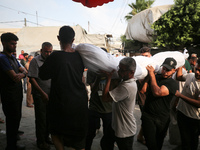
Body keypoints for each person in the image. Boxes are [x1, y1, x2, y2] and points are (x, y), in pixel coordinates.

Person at [39, 26, 88, 150]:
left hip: (60, 103)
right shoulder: (80, 56)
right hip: (79, 103)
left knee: (56, 133)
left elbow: (43, 75)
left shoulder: (55, 57)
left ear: (58, 38)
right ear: (73, 40)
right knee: (79, 138)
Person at [141, 57, 179, 150]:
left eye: (168, 70)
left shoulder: (173, 84)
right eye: (164, 69)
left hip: (162, 118)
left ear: (174, 70)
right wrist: (148, 77)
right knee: (150, 144)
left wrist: (152, 76)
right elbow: (143, 91)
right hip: (148, 116)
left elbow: (158, 92)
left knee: (158, 144)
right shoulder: (156, 77)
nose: (165, 72)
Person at [100, 57, 137, 150]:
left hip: (125, 130)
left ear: (131, 72)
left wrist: (108, 78)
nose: (119, 72)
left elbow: (105, 98)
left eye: (122, 70)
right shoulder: (125, 81)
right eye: (119, 68)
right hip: (116, 125)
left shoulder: (126, 86)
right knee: (105, 144)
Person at [0, 32, 27, 150]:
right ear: (3, 43)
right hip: (9, 95)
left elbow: (24, 71)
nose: (14, 46)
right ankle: (11, 146)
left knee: (16, 118)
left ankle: (13, 140)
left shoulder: (13, 58)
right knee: (12, 120)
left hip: (17, 94)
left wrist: (21, 74)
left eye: (15, 44)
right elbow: (15, 77)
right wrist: (22, 74)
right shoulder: (2, 58)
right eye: (12, 44)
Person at [28, 42, 53, 149]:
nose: (48, 54)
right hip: (40, 95)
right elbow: (32, 79)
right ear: (41, 50)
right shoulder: (35, 61)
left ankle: (46, 138)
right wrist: (42, 93)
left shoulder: (51, 60)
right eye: (46, 51)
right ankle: (41, 142)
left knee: (49, 118)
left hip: (50, 94)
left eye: (50, 52)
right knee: (41, 119)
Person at [175, 58, 200, 150]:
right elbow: (179, 77)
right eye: (196, 69)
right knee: (184, 139)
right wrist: (180, 65)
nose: (197, 72)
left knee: (193, 142)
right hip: (182, 113)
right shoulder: (190, 75)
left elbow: (198, 103)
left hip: (194, 118)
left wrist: (180, 96)